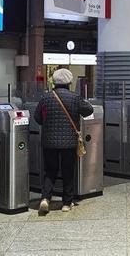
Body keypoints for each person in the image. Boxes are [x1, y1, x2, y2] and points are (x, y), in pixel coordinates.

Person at [33, 68, 93, 215]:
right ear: (69, 82)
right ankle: (66, 203)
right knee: (68, 171)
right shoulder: (74, 97)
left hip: (49, 142)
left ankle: (45, 199)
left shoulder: (46, 98)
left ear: (53, 81)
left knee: (50, 171)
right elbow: (89, 110)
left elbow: (37, 117)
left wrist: (47, 124)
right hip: (69, 142)